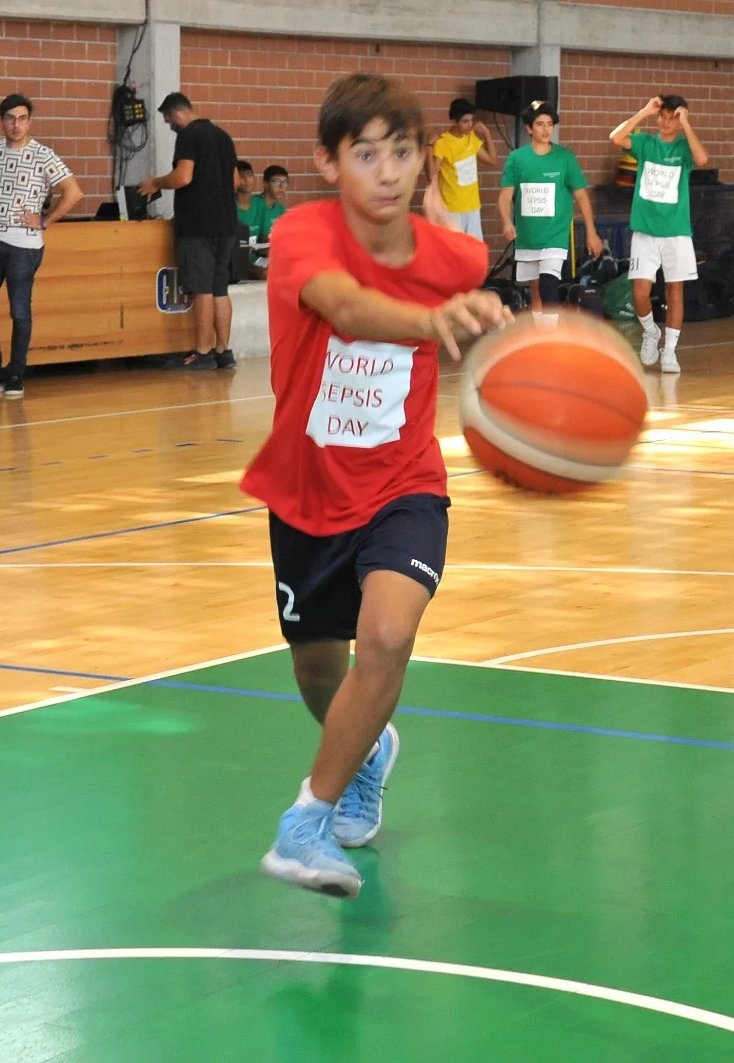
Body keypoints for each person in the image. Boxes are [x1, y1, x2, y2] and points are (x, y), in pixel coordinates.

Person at [240, 73, 511, 899]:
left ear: (424, 159)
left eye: (401, 152)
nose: (387, 172)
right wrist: (430, 319)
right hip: (306, 490)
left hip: (405, 484)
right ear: (329, 163)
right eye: (365, 154)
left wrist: (503, 340)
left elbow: (477, 322)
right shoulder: (300, 233)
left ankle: (304, 823)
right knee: (319, 673)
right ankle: (368, 751)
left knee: (388, 635)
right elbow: (346, 306)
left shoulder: (457, 257)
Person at [139, 92, 239, 371]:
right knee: (220, 289)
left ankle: (202, 352)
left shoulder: (188, 136)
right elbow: (234, 180)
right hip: (226, 225)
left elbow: (183, 177)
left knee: (202, 289)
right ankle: (223, 352)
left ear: (175, 113)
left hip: (198, 226)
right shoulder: (223, 136)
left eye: (167, 119)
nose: (169, 125)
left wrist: (156, 183)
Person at [609, 95, 709, 373]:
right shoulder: (646, 144)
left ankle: (670, 351)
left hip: (676, 232)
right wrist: (643, 112)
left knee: (675, 290)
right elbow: (616, 137)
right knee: (640, 290)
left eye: (672, 118)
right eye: (662, 117)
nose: (666, 123)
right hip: (645, 231)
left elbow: (702, 158)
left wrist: (686, 123)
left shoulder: (684, 148)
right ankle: (650, 331)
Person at [0, 93, 83, 399]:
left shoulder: (43, 155)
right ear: (2, 121)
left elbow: (73, 192)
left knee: (19, 311)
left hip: (24, 245)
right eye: (10, 118)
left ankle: (16, 374)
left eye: (22, 119)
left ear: (29, 122)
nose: (16, 125)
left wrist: (45, 219)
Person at [498, 101, 603, 324]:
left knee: (549, 284)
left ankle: (552, 336)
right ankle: (542, 335)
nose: (546, 129)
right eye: (540, 124)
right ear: (529, 128)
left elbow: (582, 196)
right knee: (536, 290)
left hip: (555, 235)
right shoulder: (517, 158)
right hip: (528, 237)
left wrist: (591, 232)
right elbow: (505, 196)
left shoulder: (565, 158)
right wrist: (506, 221)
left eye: (549, 124)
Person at [428, 98, 498, 239]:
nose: (470, 125)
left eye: (471, 121)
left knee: (473, 249)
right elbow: (432, 175)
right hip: (452, 208)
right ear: (454, 122)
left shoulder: (471, 137)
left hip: (473, 206)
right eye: (465, 121)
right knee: (454, 249)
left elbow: (492, 160)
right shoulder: (443, 142)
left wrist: (486, 133)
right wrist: (429, 147)